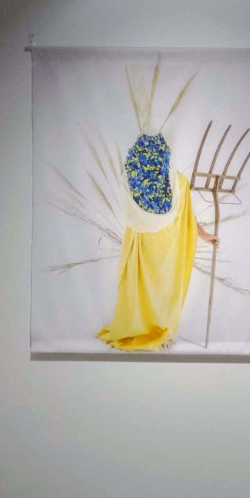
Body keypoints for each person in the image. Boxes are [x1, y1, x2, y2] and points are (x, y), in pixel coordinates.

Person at [98, 65, 209, 351]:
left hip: (144, 247)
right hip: (167, 250)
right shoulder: (179, 182)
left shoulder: (132, 188)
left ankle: (143, 329)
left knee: (139, 288)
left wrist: (205, 234)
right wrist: (204, 235)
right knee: (165, 290)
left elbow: (185, 215)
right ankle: (159, 331)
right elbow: (189, 217)